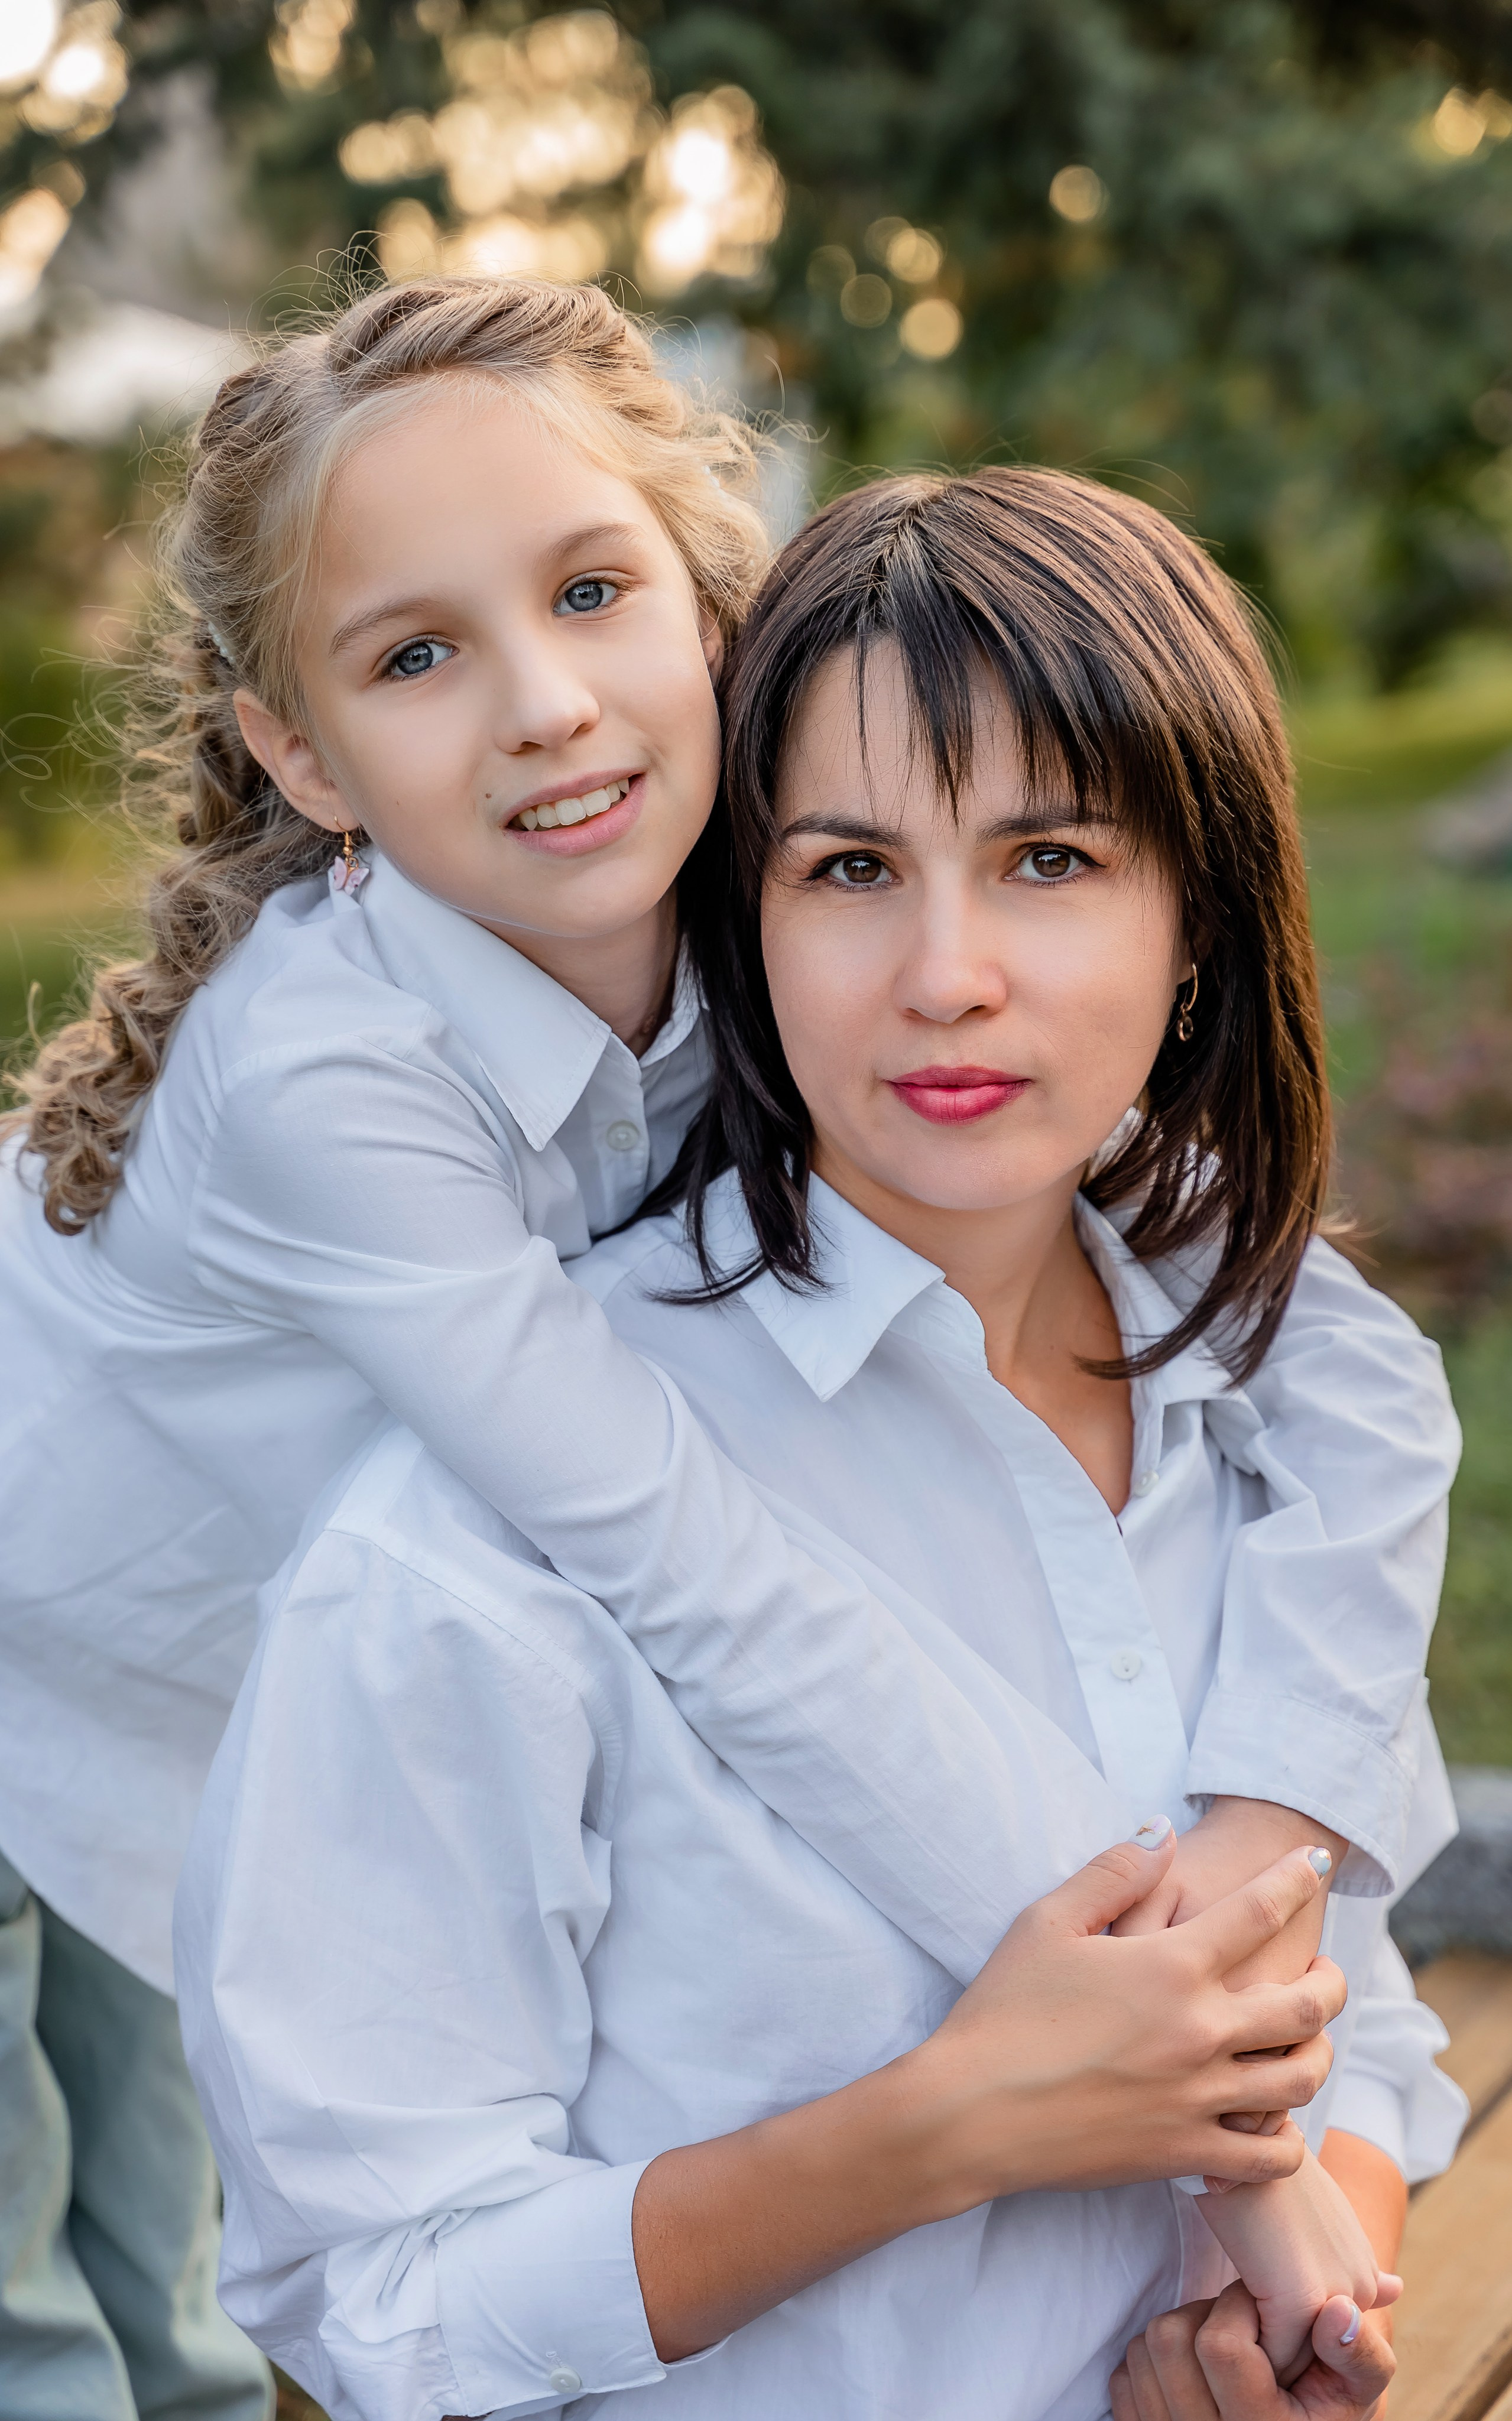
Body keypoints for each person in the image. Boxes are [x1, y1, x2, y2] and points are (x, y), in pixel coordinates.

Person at [174, 467, 1466, 2421]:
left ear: (1200, 913)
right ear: (741, 923)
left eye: (1051, 860)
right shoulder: (483, 1540)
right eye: (849, 868)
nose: (947, 972)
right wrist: (943, 2130)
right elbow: (375, 2300)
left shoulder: (1259, 1429)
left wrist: (1290, 2311)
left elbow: (1345, 2028)